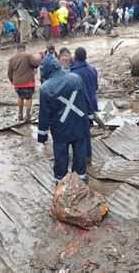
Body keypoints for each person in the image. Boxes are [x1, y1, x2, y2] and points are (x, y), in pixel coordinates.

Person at [37, 55, 93, 184]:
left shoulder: (45, 88)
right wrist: (90, 118)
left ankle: (61, 182)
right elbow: (86, 101)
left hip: (60, 129)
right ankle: (80, 181)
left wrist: (42, 136)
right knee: (80, 155)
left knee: (61, 156)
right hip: (79, 124)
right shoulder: (76, 79)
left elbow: (44, 114)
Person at [70, 47, 98, 162]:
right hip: (92, 102)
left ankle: (82, 158)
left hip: (79, 106)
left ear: (75, 57)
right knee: (86, 131)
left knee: (80, 133)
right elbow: (96, 87)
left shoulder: (73, 73)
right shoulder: (93, 69)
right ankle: (88, 157)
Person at [7, 44, 41, 121]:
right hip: (28, 81)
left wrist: (13, 81)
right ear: (24, 49)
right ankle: (28, 115)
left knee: (20, 97)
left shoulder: (12, 59)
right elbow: (35, 63)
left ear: (17, 49)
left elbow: (9, 73)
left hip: (17, 83)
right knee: (29, 98)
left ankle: (20, 114)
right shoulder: (28, 55)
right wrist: (40, 58)